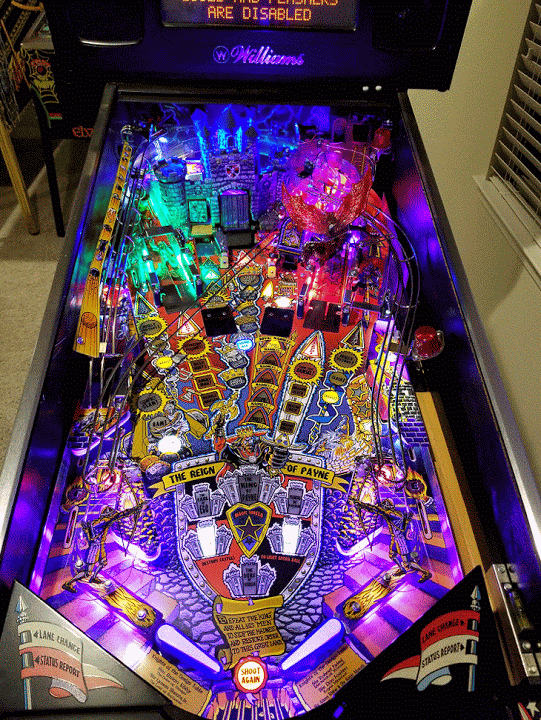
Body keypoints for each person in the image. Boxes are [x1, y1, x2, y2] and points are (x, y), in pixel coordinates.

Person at [62, 502, 144, 593]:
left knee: (103, 562)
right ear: (107, 514)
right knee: (87, 573)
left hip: (100, 545)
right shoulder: (104, 521)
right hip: (94, 547)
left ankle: (93, 577)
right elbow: (120, 515)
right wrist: (135, 509)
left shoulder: (97, 522)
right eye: (111, 514)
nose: (112, 515)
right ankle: (68, 583)